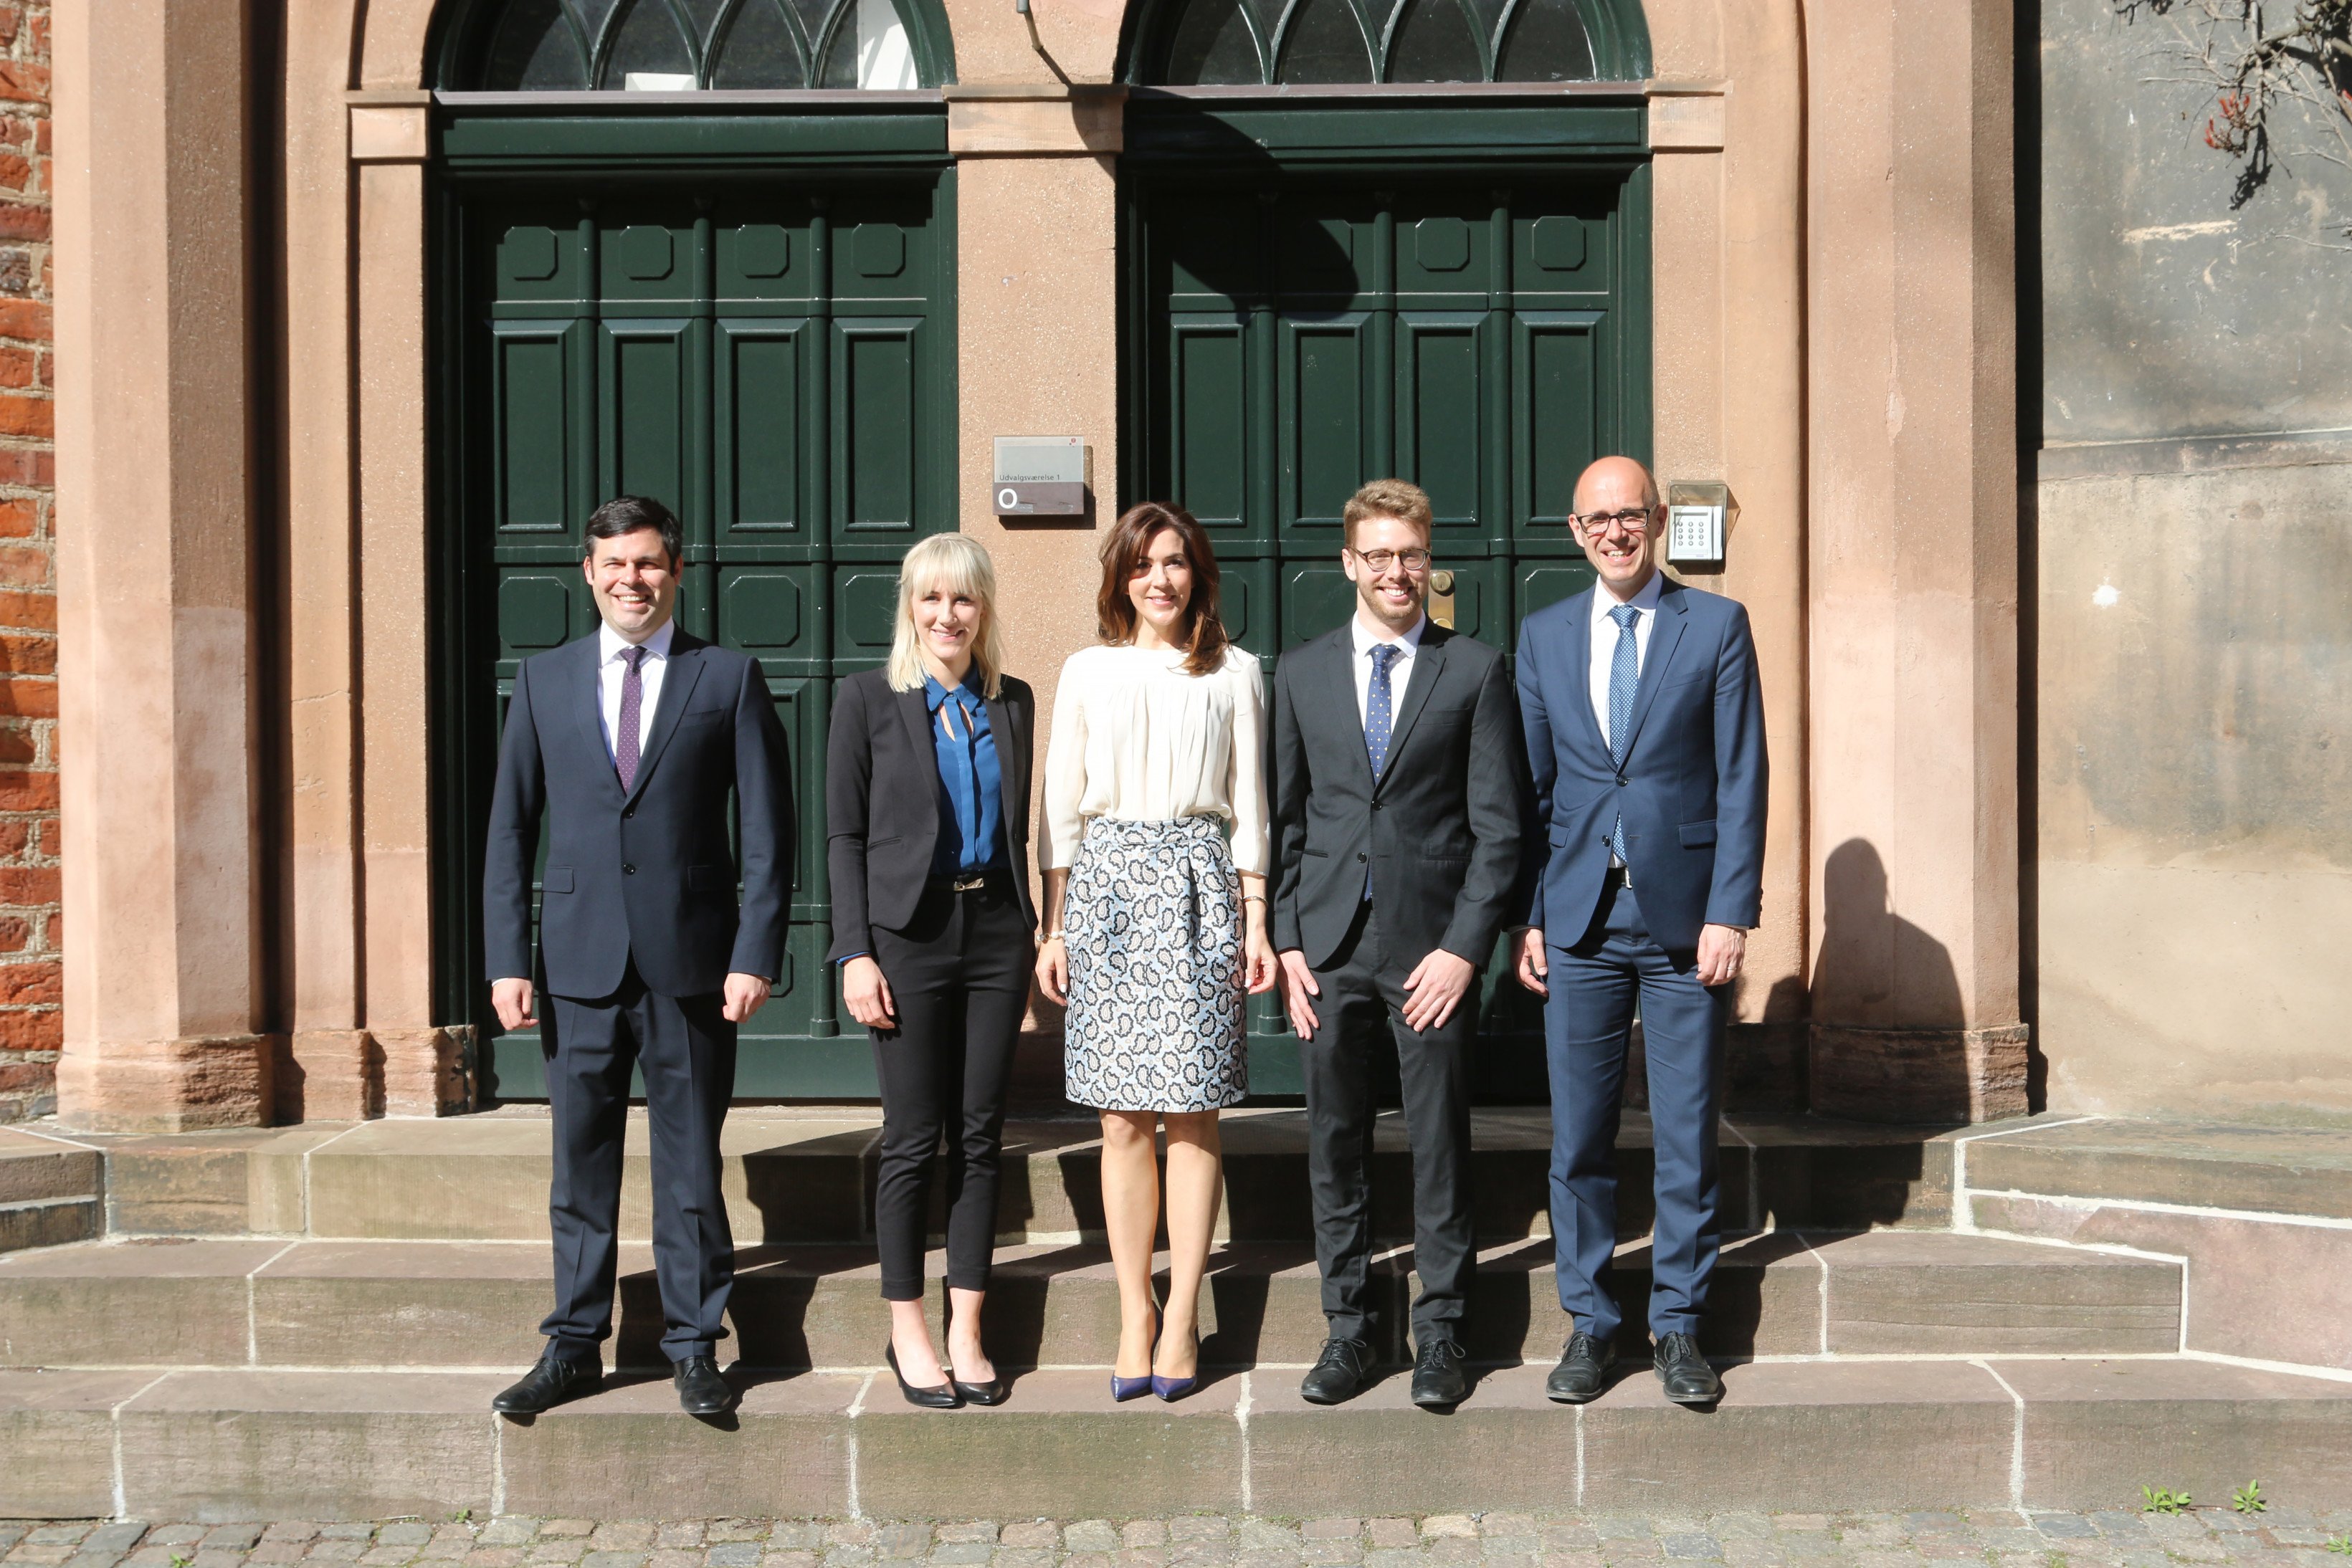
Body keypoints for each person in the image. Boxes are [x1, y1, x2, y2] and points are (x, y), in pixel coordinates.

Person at [481, 494, 791, 1418]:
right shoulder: (542, 680)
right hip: (576, 965)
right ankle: (574, 1345)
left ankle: (692, 1345)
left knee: (689, 1166)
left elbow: (767, 832)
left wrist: (754, 953)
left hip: (692, 964)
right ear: (588, 573)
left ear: (677, 570)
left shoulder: (726, 677)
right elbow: (510, 830)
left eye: (649, 562)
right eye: (614, 564)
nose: (632, 579)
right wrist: (507, 959)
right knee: (579, 1164)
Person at [1512, 456, 1766, 1407]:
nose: (1615, 531)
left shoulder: (1716, 625)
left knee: (1685, 1132)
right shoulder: (1542, 636)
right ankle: (1589, 1322)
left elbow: (1741, 776)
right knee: (1578, 1135)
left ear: (1657, 521)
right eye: (1597, 519)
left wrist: (1729, 910)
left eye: (1630, 515)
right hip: (1578, 920)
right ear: (1575, 532)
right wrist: (1531, 914)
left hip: (1683, 926)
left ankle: (1679, 1324)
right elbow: (1532, 793)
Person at [1269, 479, 1528, 1411]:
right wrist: (1287, 944)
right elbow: (1286, 820)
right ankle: (1347, 1328)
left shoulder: (1474, 671)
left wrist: (1465, 949)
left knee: (1438, 1141)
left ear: (1428, 560)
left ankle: (1443, 1332)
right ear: (1349, 562)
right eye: (1377, 555)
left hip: (1431, 951)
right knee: (1333, 1141)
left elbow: (1500, 830)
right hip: (1327, 947)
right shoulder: (1297, 673)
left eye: (1409, 554)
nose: (1395, 571)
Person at [1034, 502, 1278, 1402]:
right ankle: (1132, 1309)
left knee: (1194, 1111)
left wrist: (1255, 920)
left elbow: (1250, 803)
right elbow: (1059, 805)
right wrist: (1053, 927)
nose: (1159, 579)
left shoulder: (1234, 671)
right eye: (1141, 564)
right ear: (1120, 578)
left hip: (1198, 888)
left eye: (1174, 562)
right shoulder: (1087, 669)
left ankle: (1181, 1315)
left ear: (1197, 573)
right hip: (1104, 892)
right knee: (1119, 1118)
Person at [826, 533, 1038, 1410]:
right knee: (914, 1136)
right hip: (905, 937)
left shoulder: (1013, 701)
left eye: (962, 599)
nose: (946, 615)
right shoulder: (866, 699)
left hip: (993, 931)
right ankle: (907, 1326)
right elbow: (842, 835)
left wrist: (1034, 933)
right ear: (909, 608)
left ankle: (966, 1327)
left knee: (980, 1135)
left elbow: (1023, 827)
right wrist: (854, 951)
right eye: (930, 598)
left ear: (982, 609)